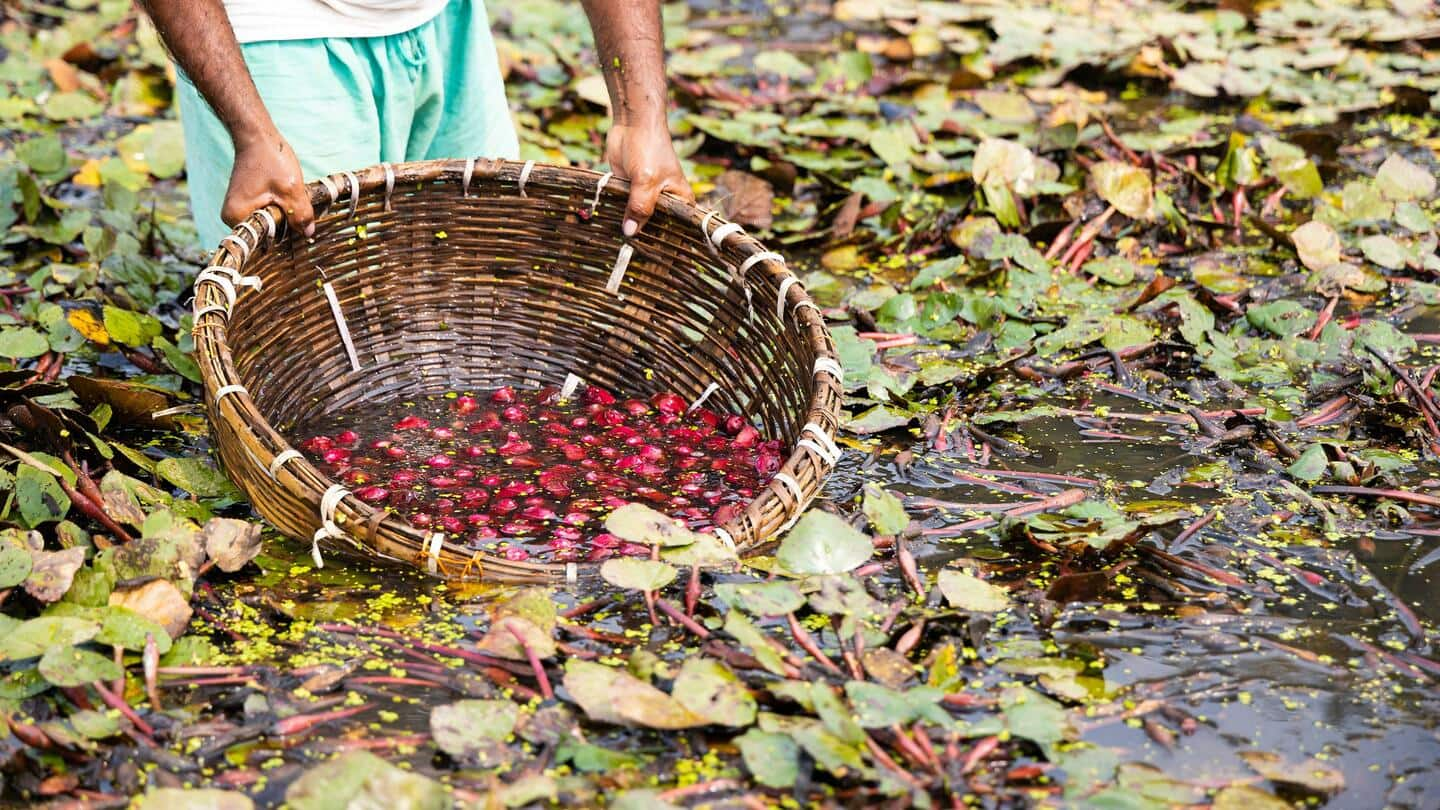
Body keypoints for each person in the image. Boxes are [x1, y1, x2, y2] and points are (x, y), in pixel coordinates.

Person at [138, 0, 693, 246]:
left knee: (486, 278)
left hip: (442, 19)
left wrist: (641, 116)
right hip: (271, 30)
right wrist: (252, 131)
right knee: (313, 319)